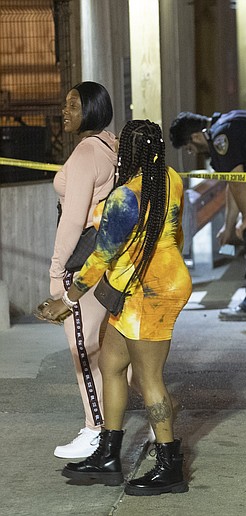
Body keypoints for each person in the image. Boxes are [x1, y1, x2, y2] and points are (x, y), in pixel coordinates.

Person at [37, 120, 193, 493]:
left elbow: (99, 258)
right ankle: (109, 453)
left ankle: (169, 463)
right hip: (150, 282)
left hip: (147, 293)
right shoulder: (171, 179)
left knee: (149, 378)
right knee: (110, 364)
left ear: (128, 153)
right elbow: (177, 231)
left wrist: (67, 300)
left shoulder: (126, 196)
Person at [169, 110, 246, 320]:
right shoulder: (227, 123)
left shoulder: (220, 136)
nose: (194, 152)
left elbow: (237, 181)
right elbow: (232, 183)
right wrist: (228, 226)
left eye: (190, 148)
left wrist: (245, 220)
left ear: (197, 137)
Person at [48, 81, 116, 459]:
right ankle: (159, 421)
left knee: (82, 346)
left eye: (74, 104)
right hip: (108, 261)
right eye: (65, 104)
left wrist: (57, 274)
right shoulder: (110, 144)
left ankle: (96, 429)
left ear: (92, 108)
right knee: (108, 346)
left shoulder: (86, 153)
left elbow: (72, 220)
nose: (65, 110)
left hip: (84, 264)